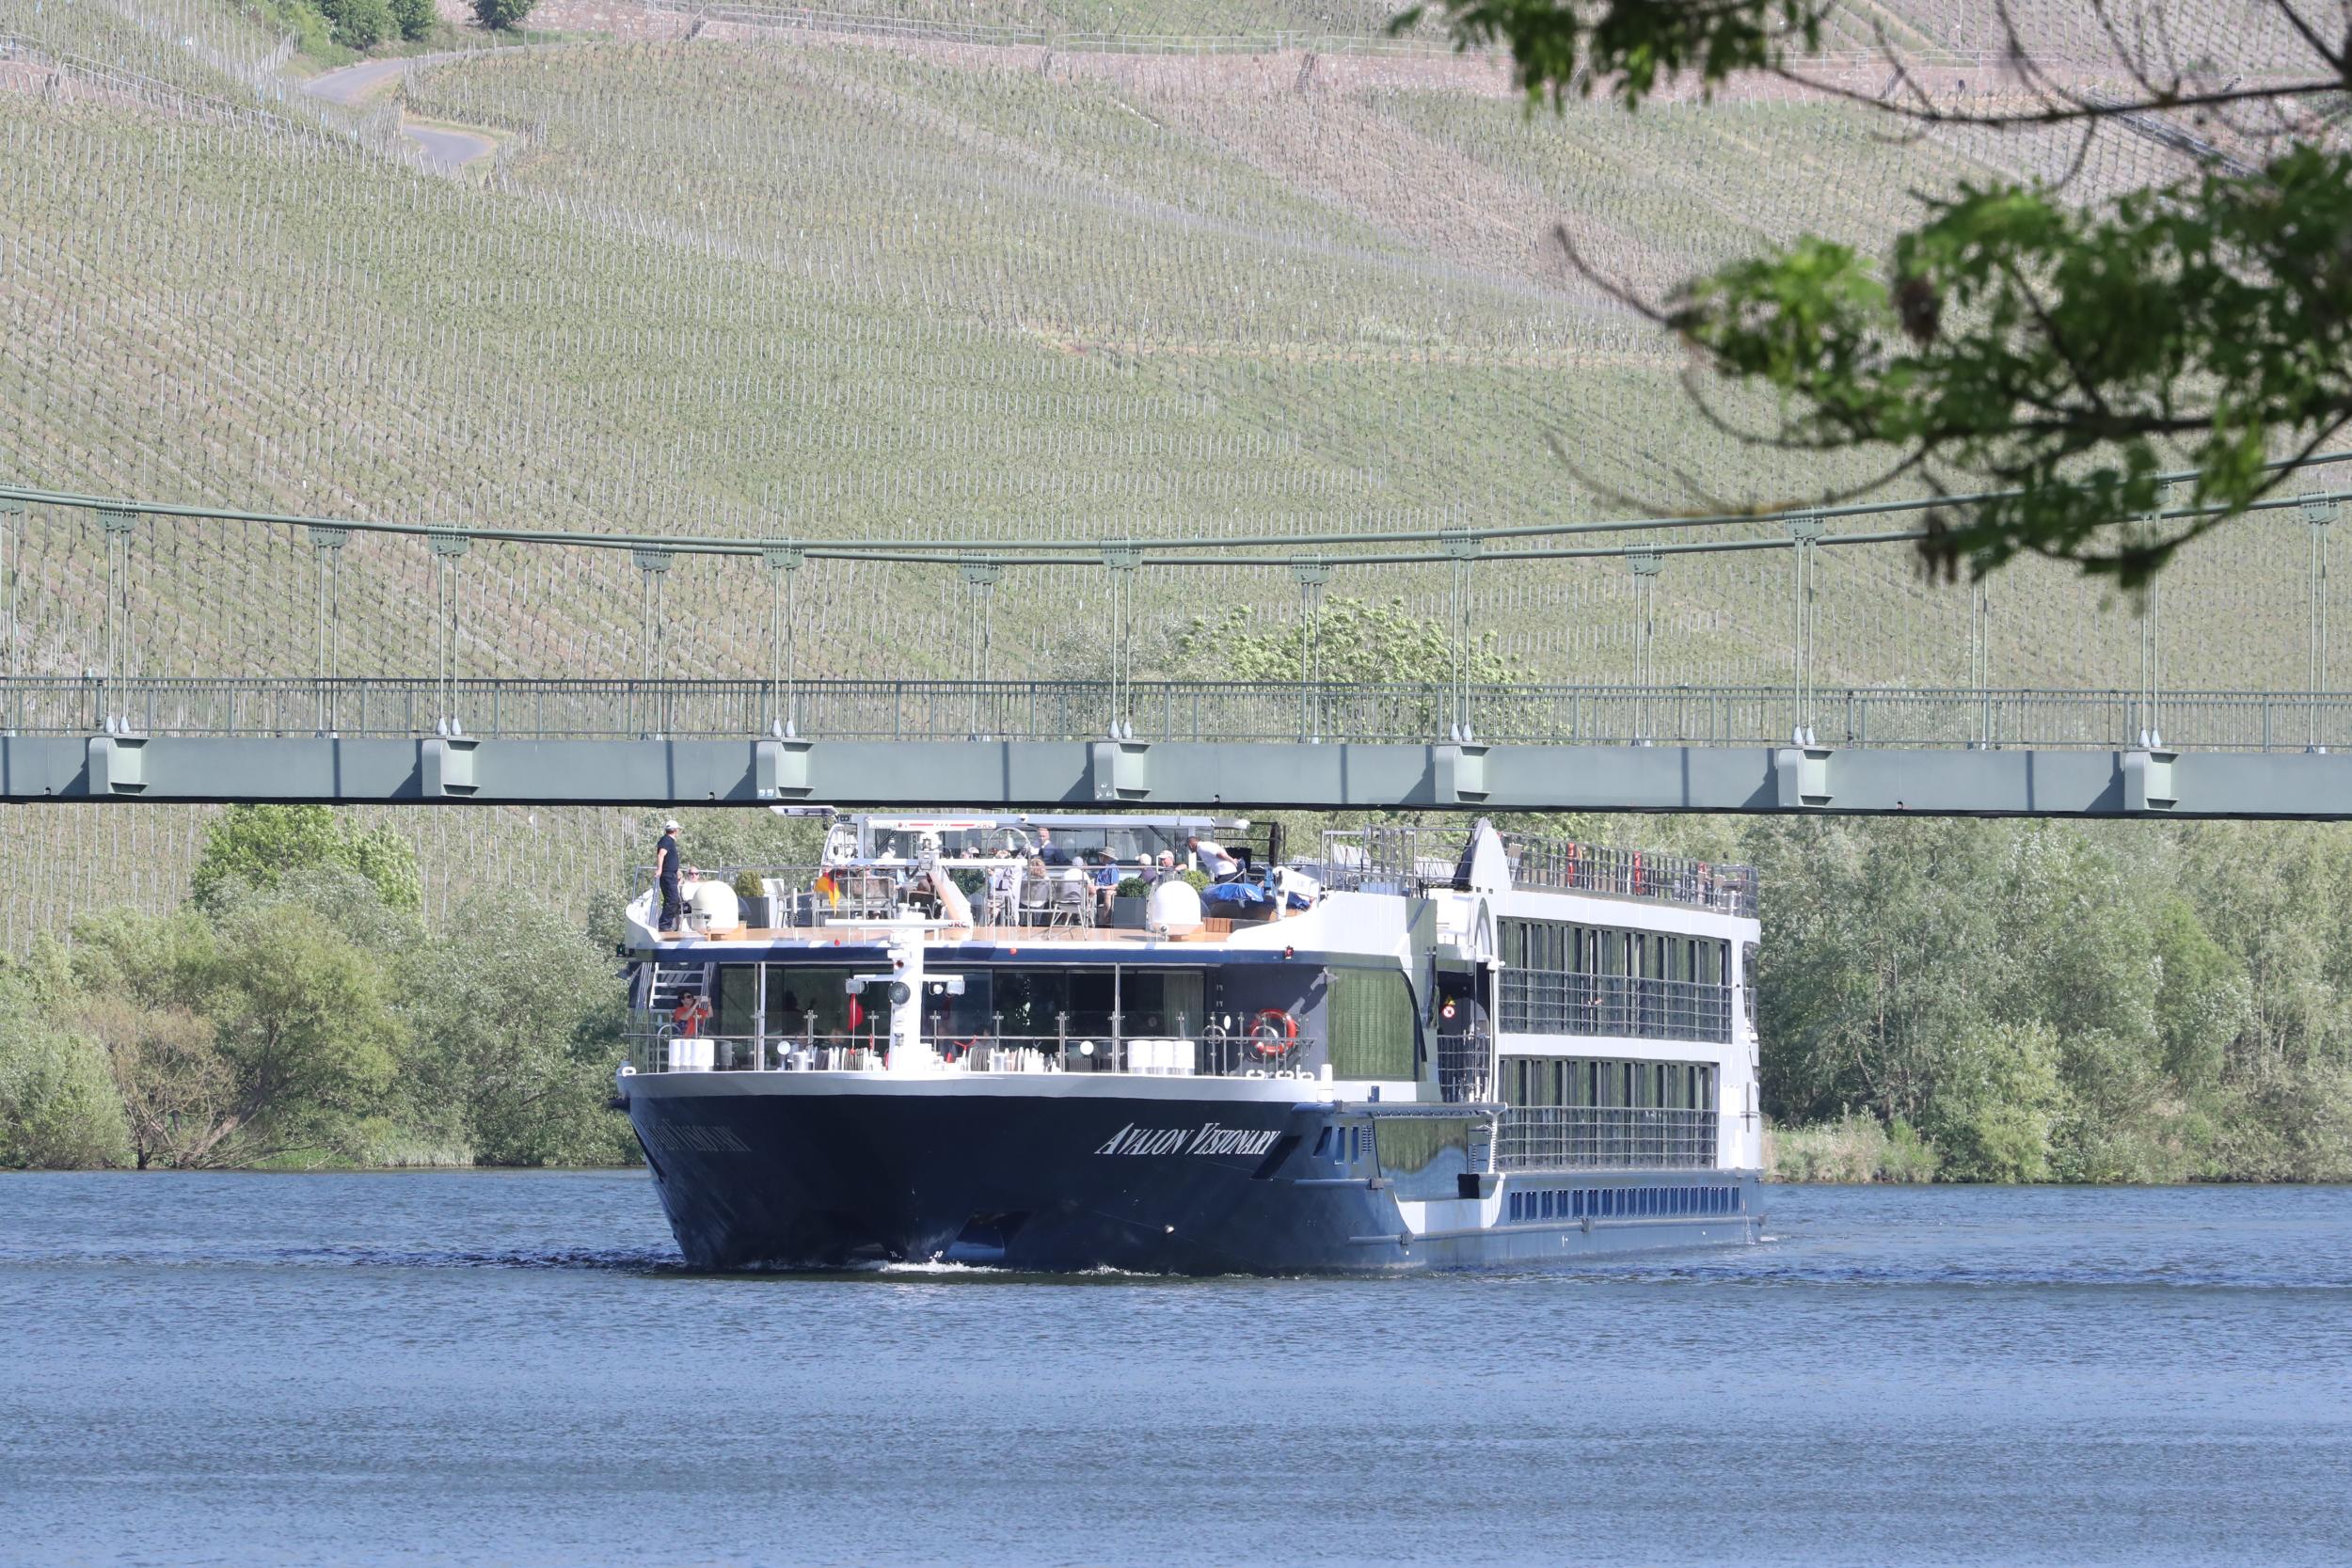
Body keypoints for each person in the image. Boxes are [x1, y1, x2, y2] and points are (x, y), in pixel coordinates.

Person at [654, 817, 683, 933]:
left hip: (671, 874)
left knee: (670, 899)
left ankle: (666, 925)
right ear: (675, 830)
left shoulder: (668, 840)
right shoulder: (667, 840)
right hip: (667, 875)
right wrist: (660, 869)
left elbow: (669, 858)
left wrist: (677, 870)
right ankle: (664, 925)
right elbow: (661, 854)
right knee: (673, 899)